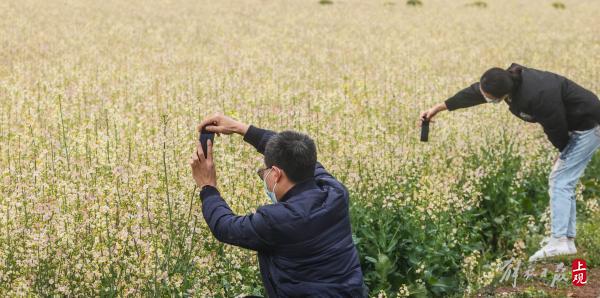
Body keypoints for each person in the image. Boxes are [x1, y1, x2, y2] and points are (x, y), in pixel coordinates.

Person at [420, 63, 600, 262]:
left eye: (488, 96)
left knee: (560, 180)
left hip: (588, 125)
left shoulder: (537, 94)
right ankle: (566, 241)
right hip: (578, 123)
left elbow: (555, 126)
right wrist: (438, 108)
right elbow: (475, 93)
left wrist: (563, 152)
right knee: (563, 180)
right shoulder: (505, 80)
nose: (484, 97)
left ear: (500, 95)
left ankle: (559, 241)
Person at [189, 113, 366, 297]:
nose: (263, 176)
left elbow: (225, 227)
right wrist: (240, 128)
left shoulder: (277, 220)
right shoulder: (335, 192)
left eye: (264, 172)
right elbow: (294, 154)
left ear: (276, 173)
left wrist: (207, 186)